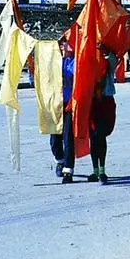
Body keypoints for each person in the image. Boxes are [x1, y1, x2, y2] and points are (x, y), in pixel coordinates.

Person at [87, 48, 118, 184]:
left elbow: (114, 60)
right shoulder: (88, 63)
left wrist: (108, 50)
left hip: (105, 102)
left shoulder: (108, 64)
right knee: (94, 137)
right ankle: (95, 170)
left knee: (101, 136)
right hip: (92, 103)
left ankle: (102, 170)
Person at [50, 37, 76, 184]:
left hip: (69, 105)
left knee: (68, 137)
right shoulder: (52, 61)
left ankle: (68, 169)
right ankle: (59, 160)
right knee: (55, 139)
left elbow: (76, 72)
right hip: (55, 104)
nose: (66, 47)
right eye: (63, 44)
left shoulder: (72, 61)